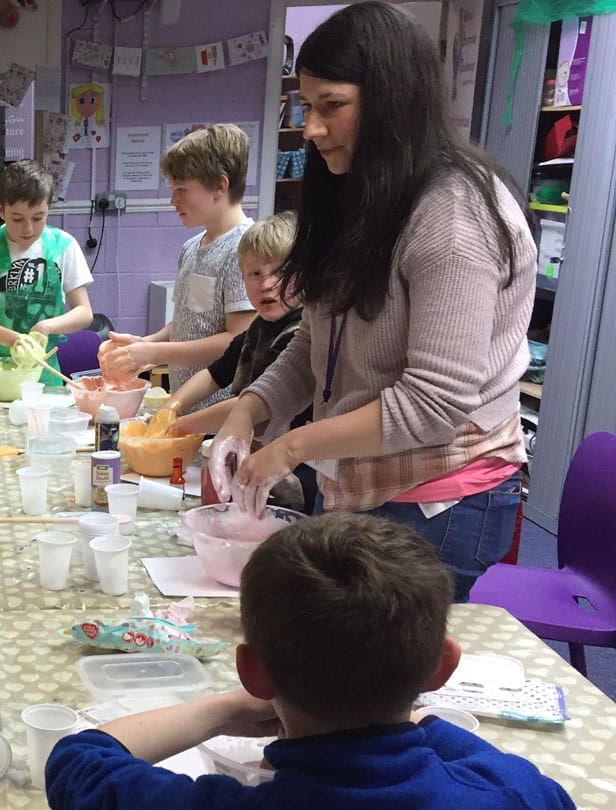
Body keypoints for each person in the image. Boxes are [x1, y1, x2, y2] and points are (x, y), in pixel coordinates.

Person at [211, 2, 535, 602]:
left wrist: (291, 444)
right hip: (365, 482)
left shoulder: (453, 214)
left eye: (331, 106)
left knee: (384, 681)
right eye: (305, 107)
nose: (311, 128)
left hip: (441, 498)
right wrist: (247, 411)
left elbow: (434, 403)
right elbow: (316, 343)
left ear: (392, 100)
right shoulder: (361, 193)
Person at [45, 512, 576, 810]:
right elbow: (517, 779)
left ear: (253, 673)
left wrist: (225, 710)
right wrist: (402, 696)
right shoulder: (518, 795)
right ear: (443, 666)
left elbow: (77, 762)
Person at [157, 212, 316, 512]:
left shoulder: (300, 333)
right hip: (249, 463)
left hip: (292, 480)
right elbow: (215, 374)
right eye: (254, 274)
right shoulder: (258, 326)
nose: (266, 284)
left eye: (279, 272)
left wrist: (181, 425)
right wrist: (171, 406)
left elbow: (254, 404)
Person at [99, 124, 256, 408]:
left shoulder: (246, 248)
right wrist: (145, 344)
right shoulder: (192, 247)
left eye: (182, 190)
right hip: (186, 406)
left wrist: (155, 353)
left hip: (220, 411)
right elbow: (188, 321)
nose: (173, 201)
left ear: (221, 186)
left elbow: (238, 341)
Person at [0, 159, 93, 386]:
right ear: (1, 210)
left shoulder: (63, 245)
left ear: (48, 209)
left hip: (43, 374)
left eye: (38, 217)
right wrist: (14, 341)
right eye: (17, 219)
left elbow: (84, 312)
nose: (28, 229)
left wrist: (47, 327)